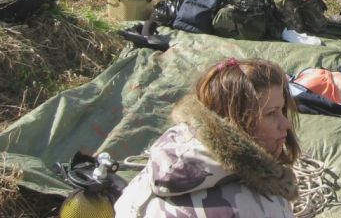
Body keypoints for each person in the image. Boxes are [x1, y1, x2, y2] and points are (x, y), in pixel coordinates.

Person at [114, 58, 300, 217]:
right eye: (271, 113)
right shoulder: (264, 206)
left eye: (282, 111)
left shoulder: (165, 157)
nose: (286, 124)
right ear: (235, 120)